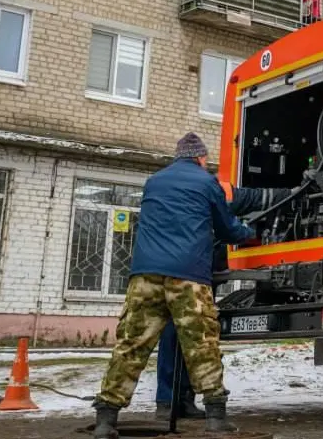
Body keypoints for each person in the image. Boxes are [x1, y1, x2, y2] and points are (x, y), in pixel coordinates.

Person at [92, 133, 256, 438]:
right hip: (187, 276)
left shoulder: (153, 181)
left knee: (131, 344)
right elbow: (227, 228)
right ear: (201, 158)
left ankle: (106, 419)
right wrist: (249, 232)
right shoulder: (207, 182)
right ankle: (216, 420)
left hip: (144, 275)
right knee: (201, 344)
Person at [154, 181, 294, 421]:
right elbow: (246, 205)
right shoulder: (210, 189)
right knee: (196, 337)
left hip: (168, 267)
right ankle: (204, 406)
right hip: (193, 270)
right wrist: (251, 233)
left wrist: (289, 192)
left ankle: (170, 402)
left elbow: (252, 198)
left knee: (174, 335)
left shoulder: (166, 192)